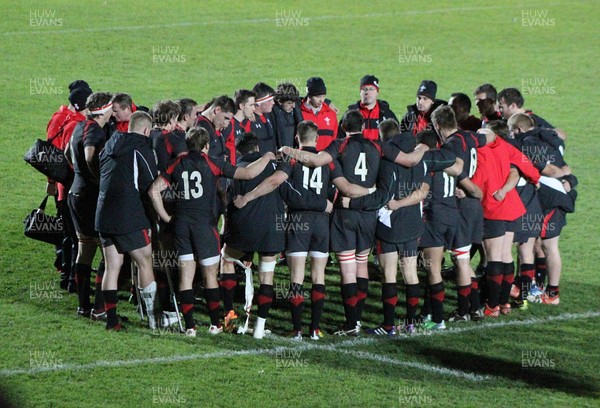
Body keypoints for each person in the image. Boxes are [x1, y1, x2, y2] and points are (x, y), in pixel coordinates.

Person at [149, 128, 274, 337]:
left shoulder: (176, 163)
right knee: (209, 275)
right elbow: (249, 173)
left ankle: (189, 327)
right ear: (206, 146)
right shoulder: (212, 162)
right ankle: (215, 324)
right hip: (204, 227)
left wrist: (166, 217)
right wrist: (268, 157)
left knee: (185, 275)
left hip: (181, 226)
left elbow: (153, 191)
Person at [280, 110, 381, 336]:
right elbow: (337, 188)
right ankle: (316, 329)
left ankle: (296, 330)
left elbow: (284, 184)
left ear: (297, 138)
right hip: (326, 222)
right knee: (321, 276)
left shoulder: (307, 155)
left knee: (296, 276)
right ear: (316, 139)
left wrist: (286, 151)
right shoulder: (336, 161)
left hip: (299, 220)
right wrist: (373, 191)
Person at [344, 121, 431, 335]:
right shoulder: (421, 161)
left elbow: (382, 195)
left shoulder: (387, 163)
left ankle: (389, 325)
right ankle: (410, 324)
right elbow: (422, 193)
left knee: (389, 275)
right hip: (412, 223)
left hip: (389, 225)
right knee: (411, 273)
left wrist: (354, 203)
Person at [96, 111, 159, 330]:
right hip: (128, 216)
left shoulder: (110, 144)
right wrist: (154, 219)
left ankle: (111, 320)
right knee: (145, 261)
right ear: (146, 130)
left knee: (112, 266)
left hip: (103, 214)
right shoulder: (141, 148)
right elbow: (151, 185)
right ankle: (152, 318)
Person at [506, 114, 575, 305]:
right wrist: (567, 176)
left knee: (548, 245)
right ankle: (528, 286)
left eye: (512, 131)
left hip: (553, 199)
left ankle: (552, 293)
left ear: (518, 129)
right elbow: (565, 165)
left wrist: (561, 174)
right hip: (549, 199)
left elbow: (550, 170)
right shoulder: (546, 138)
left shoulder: (528, 142)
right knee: (532, 242)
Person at [471, 128, 540, 317]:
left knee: (494, 256)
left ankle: (492, 306)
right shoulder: (503, 145)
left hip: (493, 206)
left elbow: (480, 176)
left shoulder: (481, 150)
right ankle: (504, 303)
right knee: (505, 255)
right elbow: (523, 163)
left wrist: (466, 188)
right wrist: (535, 177)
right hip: (511, 206)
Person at [431, 105, 490, 322]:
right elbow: (489, 138)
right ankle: (474, 308)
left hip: (463, 204)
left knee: (461, 260)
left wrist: (467, 187)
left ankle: (464, 311)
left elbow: (458, 169)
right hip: (473, 206)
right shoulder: (470, 137)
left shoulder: (452, 144)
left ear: (437, 126)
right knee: (463, 258)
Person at [67, 92, 113, 318]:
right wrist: (97, 179)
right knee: (108, 253)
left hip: (76, 192)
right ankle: (99, 308)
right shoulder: (94, 129)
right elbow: (88, 155)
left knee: (84, 250)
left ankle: (83, 305)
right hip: (91, 197)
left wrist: (79, 175)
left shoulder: (79, 126)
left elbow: (68, 153)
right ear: (105, 109)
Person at [341, 75, 398, 141]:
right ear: (360, 92)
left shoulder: (387, 114)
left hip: (380, 151)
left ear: (377, 92)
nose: (367, 92)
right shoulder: (350, 114)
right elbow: (340, 138)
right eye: (364, 89)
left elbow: (396, 139)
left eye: (371, 89)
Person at [497, 87, 567, 140]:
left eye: (501, 107)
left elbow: (562, 135)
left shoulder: (533, 121)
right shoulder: (504, 119)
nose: (499, 110)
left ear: (512, 106)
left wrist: (538, 131)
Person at [299, 77, 338, 150]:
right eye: (318, 97)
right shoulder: (298, 112)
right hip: (306, 159)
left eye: (323, 96)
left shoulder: (331, 114)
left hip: (327, 160)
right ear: (309, 95)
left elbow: (335, 141)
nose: (321, 100)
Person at [195, 95, 236, 163]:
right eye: (225, 118)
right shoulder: (202, 128)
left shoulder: (211, 126)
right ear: (217, 110)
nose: (226, 123)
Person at [221, 89, 255, 165]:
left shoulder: (248, 122)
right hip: (232, 172)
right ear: (241, 106)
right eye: (251, 105)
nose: (254, 109)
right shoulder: (229, 125)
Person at [272, 83, 303, 149]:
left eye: (294, 102)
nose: (293, 106)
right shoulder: (271, 113)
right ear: (279, 101)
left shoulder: (297, 108)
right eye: (289, 103)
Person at [250, 82, 278, 154]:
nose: (273, 103)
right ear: (258, 103)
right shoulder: (249, 121)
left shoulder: (269, 114)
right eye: (270, 100)